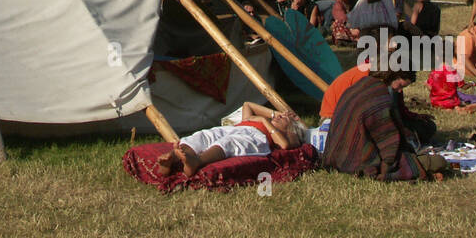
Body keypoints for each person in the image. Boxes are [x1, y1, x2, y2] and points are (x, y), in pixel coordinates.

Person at [322, 67, 449, 182]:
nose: (399, 91)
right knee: (439, 162)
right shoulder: (378, 97)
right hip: (358, 159)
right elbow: (387, 145)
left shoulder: (364, 85)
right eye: (400, 86)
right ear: (393, 75)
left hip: (337, 155)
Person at [155, 101, 306, 178]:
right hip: (233, 129)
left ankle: (197, 161)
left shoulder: (276, 134)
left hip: (255, 138)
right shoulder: (251, 119)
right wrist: (274, 113)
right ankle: (172, 159)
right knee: (203, 136)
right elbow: (247, 104)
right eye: (279, 115)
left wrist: (265, 121)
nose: (279, 117)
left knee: (229, 143)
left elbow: (286, 145)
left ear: (290, 128)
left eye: (284, 118)